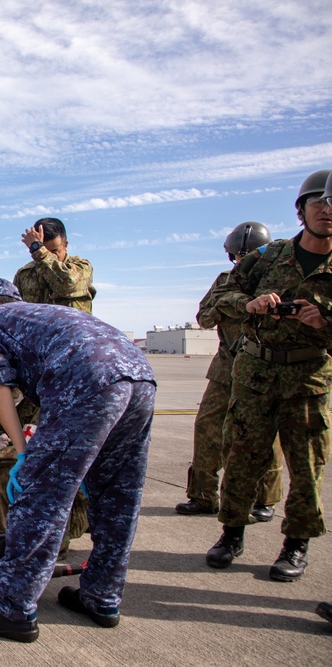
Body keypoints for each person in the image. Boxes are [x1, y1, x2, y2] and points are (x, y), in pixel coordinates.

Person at [0, 279, 155, 642]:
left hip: (87, 378)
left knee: (41, 497)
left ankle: (12, 609)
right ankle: (102, 597)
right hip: (140, 377)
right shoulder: (49, 315)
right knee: (117, 495)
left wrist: (22, 452)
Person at [205, 170, 332, 582]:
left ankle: (296, 544)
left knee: (306, 466)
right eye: (318, 203)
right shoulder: (269, 256)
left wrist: (324, 322)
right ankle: (231, 534)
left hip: (308, 377)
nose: (326, 211)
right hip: (256, 371)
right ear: (302, 210)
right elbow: (222, 296)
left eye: (330, 203)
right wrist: (252, 304)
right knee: (242, 455)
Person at [176, 222, 283, 519]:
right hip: (226, 366)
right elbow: (205, 317)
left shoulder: (277, 280)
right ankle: (203, 495)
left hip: (264, 367)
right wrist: (230, 306)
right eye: (238, 256)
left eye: (247, 256)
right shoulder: (225, 280)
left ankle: (265, 499)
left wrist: (234, 305)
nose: (242, 262)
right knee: (208, 427)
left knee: (266, 434)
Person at [0, 395, 89, 560]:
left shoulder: (42, 404)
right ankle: (3, 538)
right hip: (10, 476)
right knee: (1, 474)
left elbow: (33, 449)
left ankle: (40, 541)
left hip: (48, 479)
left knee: (46, 553)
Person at [13, 217, 95, 312]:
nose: (49, 255)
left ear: (66, 245)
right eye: (44, 250)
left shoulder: (81, 267)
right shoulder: (25, 274)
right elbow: (15, 311)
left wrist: (38, 250)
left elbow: (66, 284)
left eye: (54, 251)